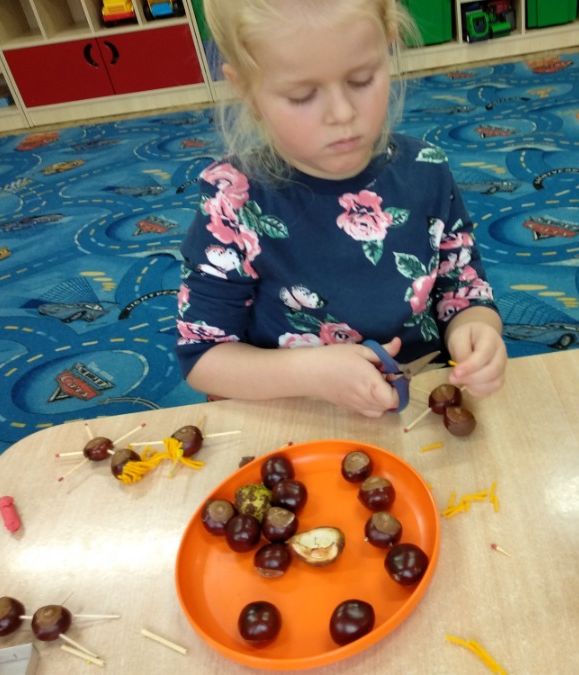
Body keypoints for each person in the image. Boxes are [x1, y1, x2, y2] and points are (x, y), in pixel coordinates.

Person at [176, 0, 506, 417]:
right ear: (248, 92)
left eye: (361, 79)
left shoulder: (427, 170)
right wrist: (310, 374)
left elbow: (462, 288)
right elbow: (202, 357)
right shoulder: (232, 201)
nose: (343, 113)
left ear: (387, 47)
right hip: (299, 413)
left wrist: (475, 329)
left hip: (419, 402)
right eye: (302, 95)